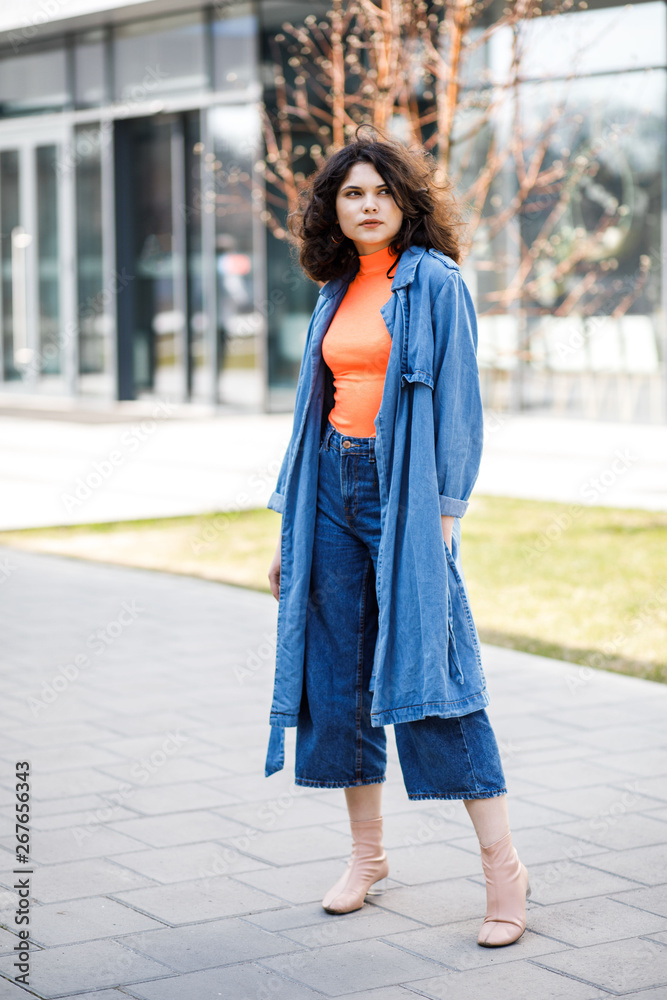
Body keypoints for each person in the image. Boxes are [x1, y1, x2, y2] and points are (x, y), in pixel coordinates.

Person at [266, 125, 530, 947]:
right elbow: (312, 410)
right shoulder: (335, 287)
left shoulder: (435, 284)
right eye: (352, 193)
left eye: (381, 191)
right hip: (331, 489)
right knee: (340, 677)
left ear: (404, 201)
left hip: (405, 495)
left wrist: (443, 519)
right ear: (333, 210)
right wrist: (290, 527)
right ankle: (368, 857)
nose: (368, 204)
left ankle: (504, 872)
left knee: (434, 674)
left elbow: (459, 406)